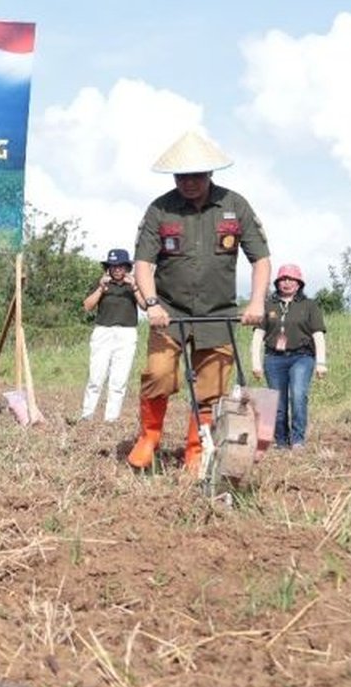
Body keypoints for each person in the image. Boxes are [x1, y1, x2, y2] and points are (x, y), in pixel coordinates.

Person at [128, 131, 271, 471]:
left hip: (218, 314)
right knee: (158, 374)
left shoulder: (235, 206)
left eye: (196, 175)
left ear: (210, 173)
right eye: (181, 176)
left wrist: (256, 303)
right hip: (169, 312)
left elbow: (261, 260)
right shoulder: (159, 210)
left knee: (212, 387)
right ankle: (149, 436)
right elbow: (144, 264)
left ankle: (197, 450)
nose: (188, 182)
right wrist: (152, 304)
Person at [250, 264, 327, 449]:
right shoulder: (268, 305)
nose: (286, 283)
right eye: (283, 279)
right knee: (278, 402)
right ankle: (281, 441)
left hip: (302, 357)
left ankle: (298, 439)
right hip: (274, 359)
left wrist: (321, 362)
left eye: (291, 279)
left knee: (298, 396)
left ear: (299, 284)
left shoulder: (309, 306)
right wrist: (256, 363)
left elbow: (318, 334)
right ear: (277, 283)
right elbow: (258, 335)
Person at [79, 248, 144, 422]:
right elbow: (87, 305)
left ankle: (111, 419)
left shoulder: (133, 285)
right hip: (103, 331)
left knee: (119, 379)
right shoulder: (103, 284)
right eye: (113, 266)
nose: (117, 270)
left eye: (120, 266)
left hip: (126, 333)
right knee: (96, 376)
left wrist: (135, 287)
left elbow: (145, 305)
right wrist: (101, 288)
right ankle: (87, 415)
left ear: (126, 268)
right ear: (109, 268)